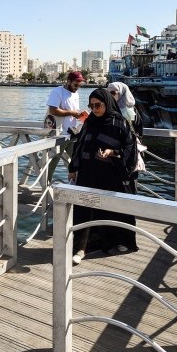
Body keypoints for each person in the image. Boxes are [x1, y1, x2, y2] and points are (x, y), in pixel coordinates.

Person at [68, 88, 139, 264]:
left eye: (98, 105)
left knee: (113, 209)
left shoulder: (120, 123)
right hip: (88, 174)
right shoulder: (90, 122)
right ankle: (81, 248)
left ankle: (118, 241)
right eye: (91, 106)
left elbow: (130, 149)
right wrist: (73, 167)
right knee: (85, 209)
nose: (95, 109)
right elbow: (80, 145)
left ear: (107, 103)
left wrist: (113, 152)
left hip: (111, 176)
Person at [46, 71, 88, 136]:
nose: (77, 88)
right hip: (57, 134)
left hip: (71, 133)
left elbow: (74, 111)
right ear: (68, 81)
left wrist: (79, 115)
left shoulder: (76, 94)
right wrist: (72, 113)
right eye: (75, 85)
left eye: (79, 86)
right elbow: (53, 110)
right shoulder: (57, 91)